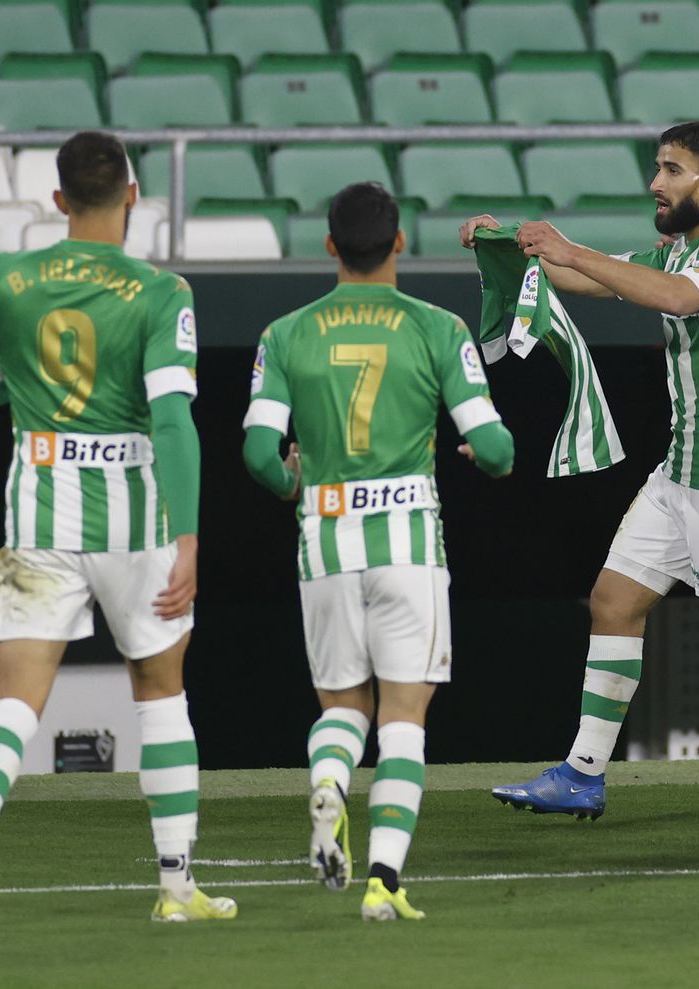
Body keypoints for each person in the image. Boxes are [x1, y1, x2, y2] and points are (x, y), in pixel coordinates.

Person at [467, 122, 699, 831]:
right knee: (612, 600)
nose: (656, 182)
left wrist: (570, 250)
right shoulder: (680, 249)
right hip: (680, 469)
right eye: (656, 168)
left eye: (671, 169)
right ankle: (582, 773)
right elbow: (591, 277)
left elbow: (678, 298)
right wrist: (519, 247)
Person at [0, 130, 233, 929]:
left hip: (38, 508)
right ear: (133, 195)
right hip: (136, 515)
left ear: (59, 200)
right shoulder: (162, 291)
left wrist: (34, 389)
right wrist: (192, 539)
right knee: (160, 693)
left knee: (17, 701)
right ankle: (176, 888)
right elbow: (174, 421)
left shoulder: (5, 276)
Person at [241, 182, 514, 920]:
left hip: (324, 540)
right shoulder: (436, 326)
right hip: (408, 541)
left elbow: (260, 454)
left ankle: (330, 778)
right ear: (398, 243)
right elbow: (495, 447)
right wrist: (482, 453)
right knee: (403, 716)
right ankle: (384, 879)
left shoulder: (285, 333)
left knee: (341, 705)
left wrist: (295, 479)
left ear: (329, 246)